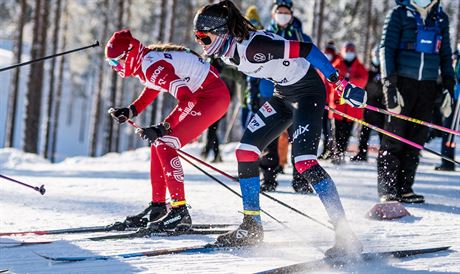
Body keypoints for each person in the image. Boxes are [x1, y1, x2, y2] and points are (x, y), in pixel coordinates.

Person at [193, 0, 367, 258]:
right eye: (197, 38)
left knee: (304, 162)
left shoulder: (254, 47)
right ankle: (252, 226)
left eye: (203, 38)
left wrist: (339, 84)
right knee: (246, 152)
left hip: (308, 92)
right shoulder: (226, 51)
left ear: (221, 32)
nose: (201, 43)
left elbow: (307, 50)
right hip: (282, 95)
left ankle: (345, 235)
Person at [106, 30, 230, 232]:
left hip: (212, 98)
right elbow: (153, 86)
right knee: (158, 145)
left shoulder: (151, 65)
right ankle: (157, 208)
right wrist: (131, 110)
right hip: (204, 95)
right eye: (111, 64)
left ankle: (179, 212)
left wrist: (164, 127)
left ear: (128, 54)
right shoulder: (145, 61)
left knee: (164, 143)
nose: (115, 68)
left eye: (115, 62)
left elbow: (187, 99)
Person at [378, 0, 455, 203]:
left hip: (428, 86)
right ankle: (388, 189)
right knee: (394, 137)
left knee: (416, 139)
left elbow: (445, 54)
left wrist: (448, 85)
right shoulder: (399, 14)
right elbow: (386, 49)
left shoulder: (441, 17)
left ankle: (405, 188)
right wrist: (389, 85)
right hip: (402, 83)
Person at [329, 42, 368, 165]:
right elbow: (332, 81)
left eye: (351, 50)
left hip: (352, 109)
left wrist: (347, 81)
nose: (349, 52)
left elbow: (362, 81)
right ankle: (336, 153)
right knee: (336, 132)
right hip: (338, 106)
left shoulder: (360, 67)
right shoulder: (337, 65)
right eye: (347, 50)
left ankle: (342, 152)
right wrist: (346, 83)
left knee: (347, 132)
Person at [350, 46, 385, 162]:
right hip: (368, 108)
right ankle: (362, 153)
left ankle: (383, 155)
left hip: (382, 109)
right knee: (364, 133)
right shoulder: (368, 73)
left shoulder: (387, 73)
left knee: (383, 135)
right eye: (374, 56)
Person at [435, 41, 460, 171]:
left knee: (452, 129)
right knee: (448, 128)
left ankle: (448, 160)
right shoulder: (455, 56)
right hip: (453, 96)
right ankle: (446, 160)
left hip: (458, 96)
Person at [319, 41, 341, 161]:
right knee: (324, 128)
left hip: (333, 102)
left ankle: (333, 151)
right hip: (323, 101)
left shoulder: (337, 64)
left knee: (331, 128)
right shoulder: (321, 63)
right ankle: (326, 149)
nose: (328, 55)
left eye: (330, 53)